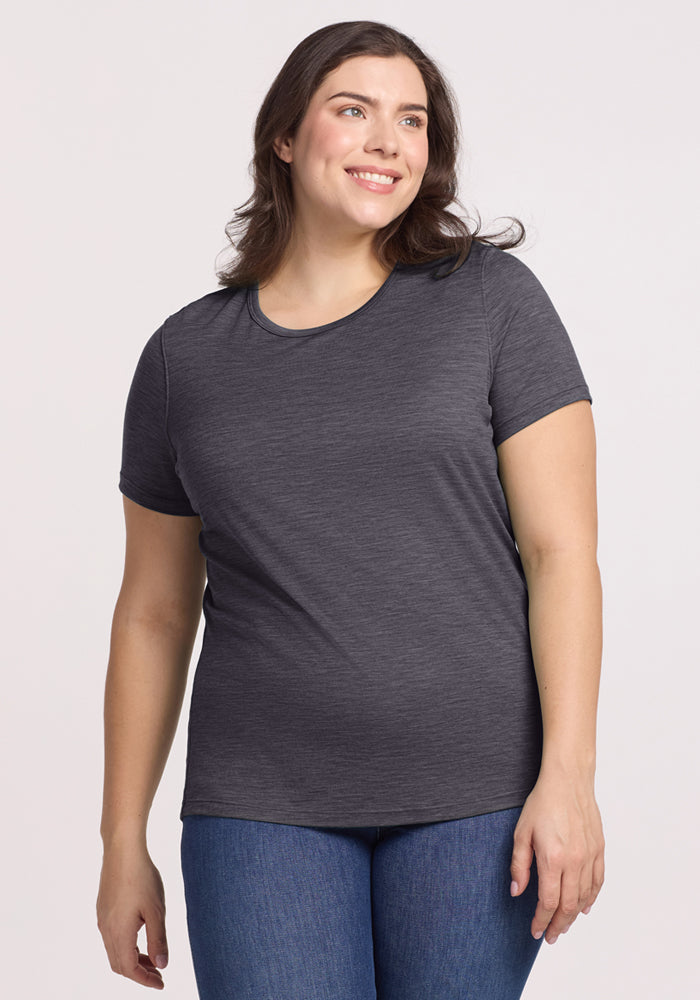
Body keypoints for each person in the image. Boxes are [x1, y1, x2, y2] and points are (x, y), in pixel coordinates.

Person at [96, 19, 605, 1000]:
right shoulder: (183, 359)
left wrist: (569, 778)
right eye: (354, 110)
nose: (387, 141)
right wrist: (122, 840)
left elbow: (562, 555)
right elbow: (153, 612)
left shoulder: (491, 302)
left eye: (411, 120)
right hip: (259, 804)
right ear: (285, 136)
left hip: (475, 797)